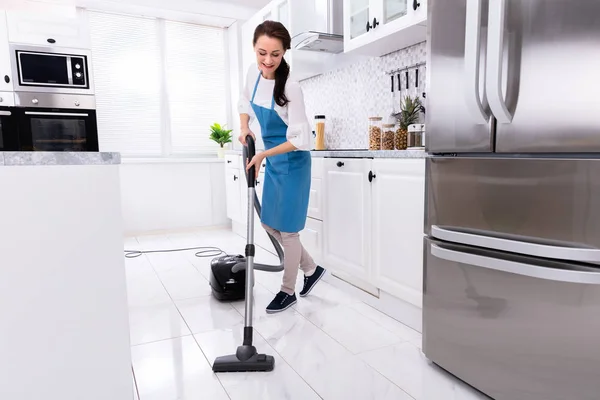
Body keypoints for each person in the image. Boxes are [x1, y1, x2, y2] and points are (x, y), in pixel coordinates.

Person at [239, 20, 326, 314]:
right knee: (268, 223)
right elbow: (244, 103)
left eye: (275, 54)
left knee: (288, 232)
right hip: (274, 159)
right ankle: (311, 269)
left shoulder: (290, 86)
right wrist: (244, 129)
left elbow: (301, 138)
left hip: (292, 161)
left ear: (285, 52)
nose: (267, 61)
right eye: (262, 52)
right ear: (254, 47)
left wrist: (263, 155)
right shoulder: (254, 73)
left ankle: (287, 291)